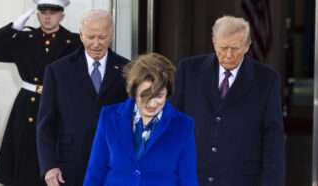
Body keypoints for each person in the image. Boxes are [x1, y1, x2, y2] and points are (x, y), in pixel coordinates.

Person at [172, 16, 285, 186]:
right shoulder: (189, 71)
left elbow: (273, 140)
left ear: (247, 46)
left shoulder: (266, 80)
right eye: (223, 48)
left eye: (235, 48)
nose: (228, 55)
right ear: (213, 42)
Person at [0, 0, 81, 185]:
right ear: (37, 14)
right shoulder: (24, 39)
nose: (47, 16)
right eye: (43, 11)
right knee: (25, 159)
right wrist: (13, 27)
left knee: (57, 159)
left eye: (53, 12)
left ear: (62, 15)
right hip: (27, 106)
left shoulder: (74, 41)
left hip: (59, 104)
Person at [36, 9, 129, 186]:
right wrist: (49, 166)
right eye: (90, 37)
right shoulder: (57, 71)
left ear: (111, 35)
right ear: (81, 35)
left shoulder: (127, 69)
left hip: (114, 164)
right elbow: (45, 125)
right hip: (69, 167)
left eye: (102, 37)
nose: (96, 44)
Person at [83, 53, 198, 186]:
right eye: (145, 95)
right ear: (133, 92)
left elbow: (188, 180)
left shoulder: (183, 125)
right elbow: (95, 173)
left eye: (159, 96)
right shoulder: (109, 117)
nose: (152, 103)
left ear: (168, 93)